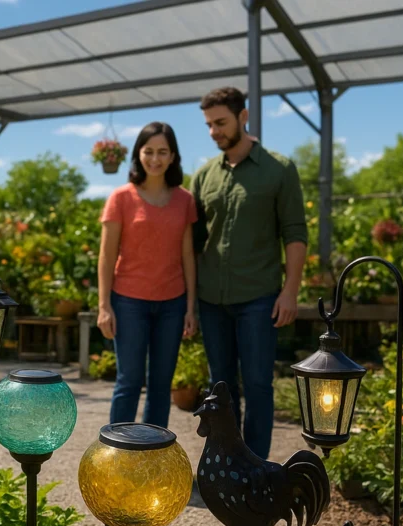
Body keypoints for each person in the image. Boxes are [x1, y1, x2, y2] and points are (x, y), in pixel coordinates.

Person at [190, 86, 307, 460]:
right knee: (219, 386)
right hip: (211, 299)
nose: (214, 132)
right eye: (209, 125)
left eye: (220, 122)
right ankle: (226, 462)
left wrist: (290, 292)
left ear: (244, 117)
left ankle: (256, 468)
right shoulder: (204, 175)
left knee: (257, 385)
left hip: (259, 296)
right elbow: (192, 244)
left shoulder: (279, 169)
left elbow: (295, 234)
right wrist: (191, 303)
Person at [96, 122, 198, 429]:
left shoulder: (184, 199)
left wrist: (191, 307)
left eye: (162, 152)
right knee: (129, 381)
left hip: (172, 304)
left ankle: (153, 455)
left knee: (160, 384)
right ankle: (116, 456)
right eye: (149, 151)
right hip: (128, 303)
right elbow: (106, 255)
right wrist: (104, 306)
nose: (155, 159)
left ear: (172, 156)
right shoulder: (121, 198)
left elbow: (188, 256)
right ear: (138, 154)